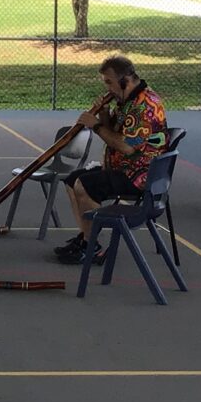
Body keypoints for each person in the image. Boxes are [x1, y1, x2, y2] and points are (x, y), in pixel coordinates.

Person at [54, 55, 169, 264]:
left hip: (139, 174)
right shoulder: (126, 101)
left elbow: (126, 146)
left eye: (109, 82)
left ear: (125, 80)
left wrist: (95, 125)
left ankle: (92, 247)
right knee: (72, 181)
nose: (108, 89)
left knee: (85, 185)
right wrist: (104, 115)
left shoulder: (144, 106)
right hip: (123, 168)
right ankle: (87, 238)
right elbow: (113, 130)